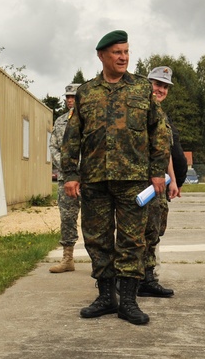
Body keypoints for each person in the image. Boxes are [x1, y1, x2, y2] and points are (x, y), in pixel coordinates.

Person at [60, 30, 171, 325]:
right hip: (94, 179)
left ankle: (129, 301)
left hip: (134, 179)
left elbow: (159, 132)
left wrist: (158, 171)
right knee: (97, 239)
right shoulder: (85, 93)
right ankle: (106, 297)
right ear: (101, 56)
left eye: (126, 52)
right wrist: (70, 173)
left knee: (132, 240)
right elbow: (72, 137)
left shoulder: (141, 89)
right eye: (116, 53)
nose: (123, 57)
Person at [140, 66, 188, 298]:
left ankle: (147, 278)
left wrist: (173, 180)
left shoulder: (161, 114)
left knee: (155, 229)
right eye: (157, 84)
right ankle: (132, 278)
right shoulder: (138, 110)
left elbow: (164, 150)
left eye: (165, 86)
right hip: (142, 183)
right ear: (147, 83)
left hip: (160, 183)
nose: (161, 89)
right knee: (137, 231)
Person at [48, 83, 80, 273]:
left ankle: (101, 262)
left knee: (96, 221)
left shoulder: (92, 120)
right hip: (66, 179)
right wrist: (68, 170)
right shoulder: (60, 121)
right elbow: (54, 148)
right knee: (67, 218)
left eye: (73, 97)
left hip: (89, 178)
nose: (69, 100)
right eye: (67, 97)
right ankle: (68, 259)